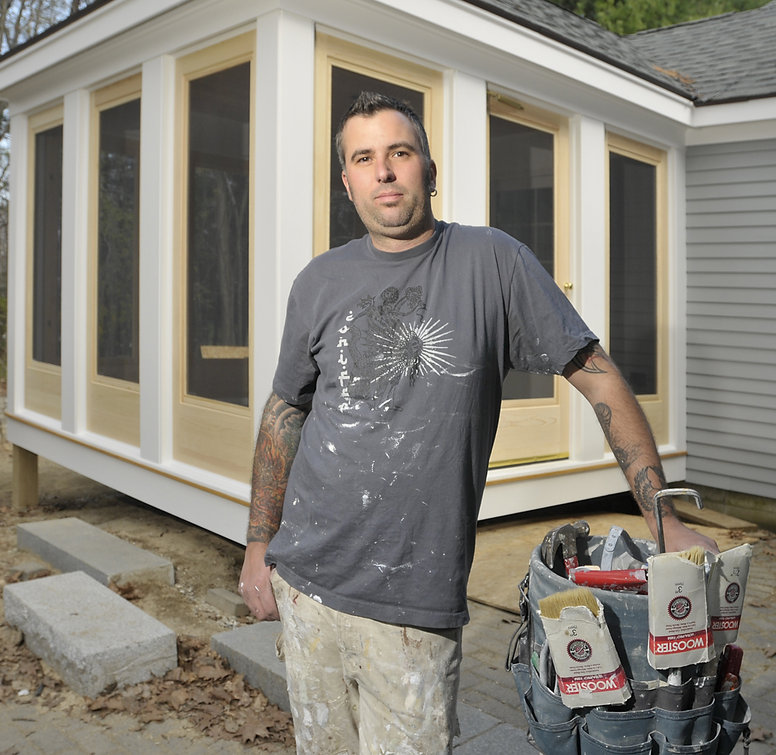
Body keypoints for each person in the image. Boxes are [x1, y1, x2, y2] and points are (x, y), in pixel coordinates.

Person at [238, 91, 717, 753]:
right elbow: (286, 408)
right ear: (346, 180)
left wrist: (660, 511)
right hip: (304, 586)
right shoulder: (318, 282)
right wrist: (259, 543)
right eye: (364, 158)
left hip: (410, 609)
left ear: (428, 170)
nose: (383, 171)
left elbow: (597, 374)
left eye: (399, 153)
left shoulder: (493, 263)